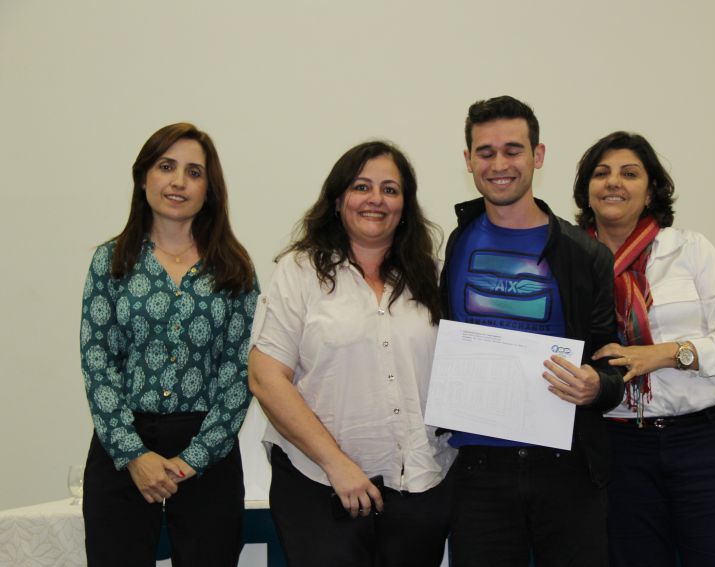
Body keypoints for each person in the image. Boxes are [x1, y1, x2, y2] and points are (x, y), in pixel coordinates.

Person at [248, 141, 455, 567]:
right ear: (338, 199)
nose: (376, 199)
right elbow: (265, 378)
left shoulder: (435, 276)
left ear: (405, 205)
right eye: (362, 187)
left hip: (421, 486)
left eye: (390, 189)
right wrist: (336, 464)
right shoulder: (300, 271)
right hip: (320, 487)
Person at [440, 95, 626, 566]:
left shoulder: (585, 254)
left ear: (538, 156)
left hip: (566, 469)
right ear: (468, 160)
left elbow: (612, 363)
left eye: (513, 150)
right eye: (485, 152)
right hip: (478, 470)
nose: (499, 164)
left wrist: (597, 385)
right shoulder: (454, 243)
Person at [573, 131, 715, 567]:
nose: (613, 182)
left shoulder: (689, 250)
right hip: (616, 448)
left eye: (629, 173)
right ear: (587, 191)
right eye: (601, 174)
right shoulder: (568, 260)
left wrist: (664, 354)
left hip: (706, 443)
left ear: (651, 191)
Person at [79, 122, 258, 567]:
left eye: (194, 173)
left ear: (209, 190)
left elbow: (241, 369)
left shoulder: (234, 268)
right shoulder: (111, 261)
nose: (178, 181)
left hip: (208, 451)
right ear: (144, 178)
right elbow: (98, 361)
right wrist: (134, 454)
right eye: (166, 167)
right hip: (122, 447)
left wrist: (192, 459)